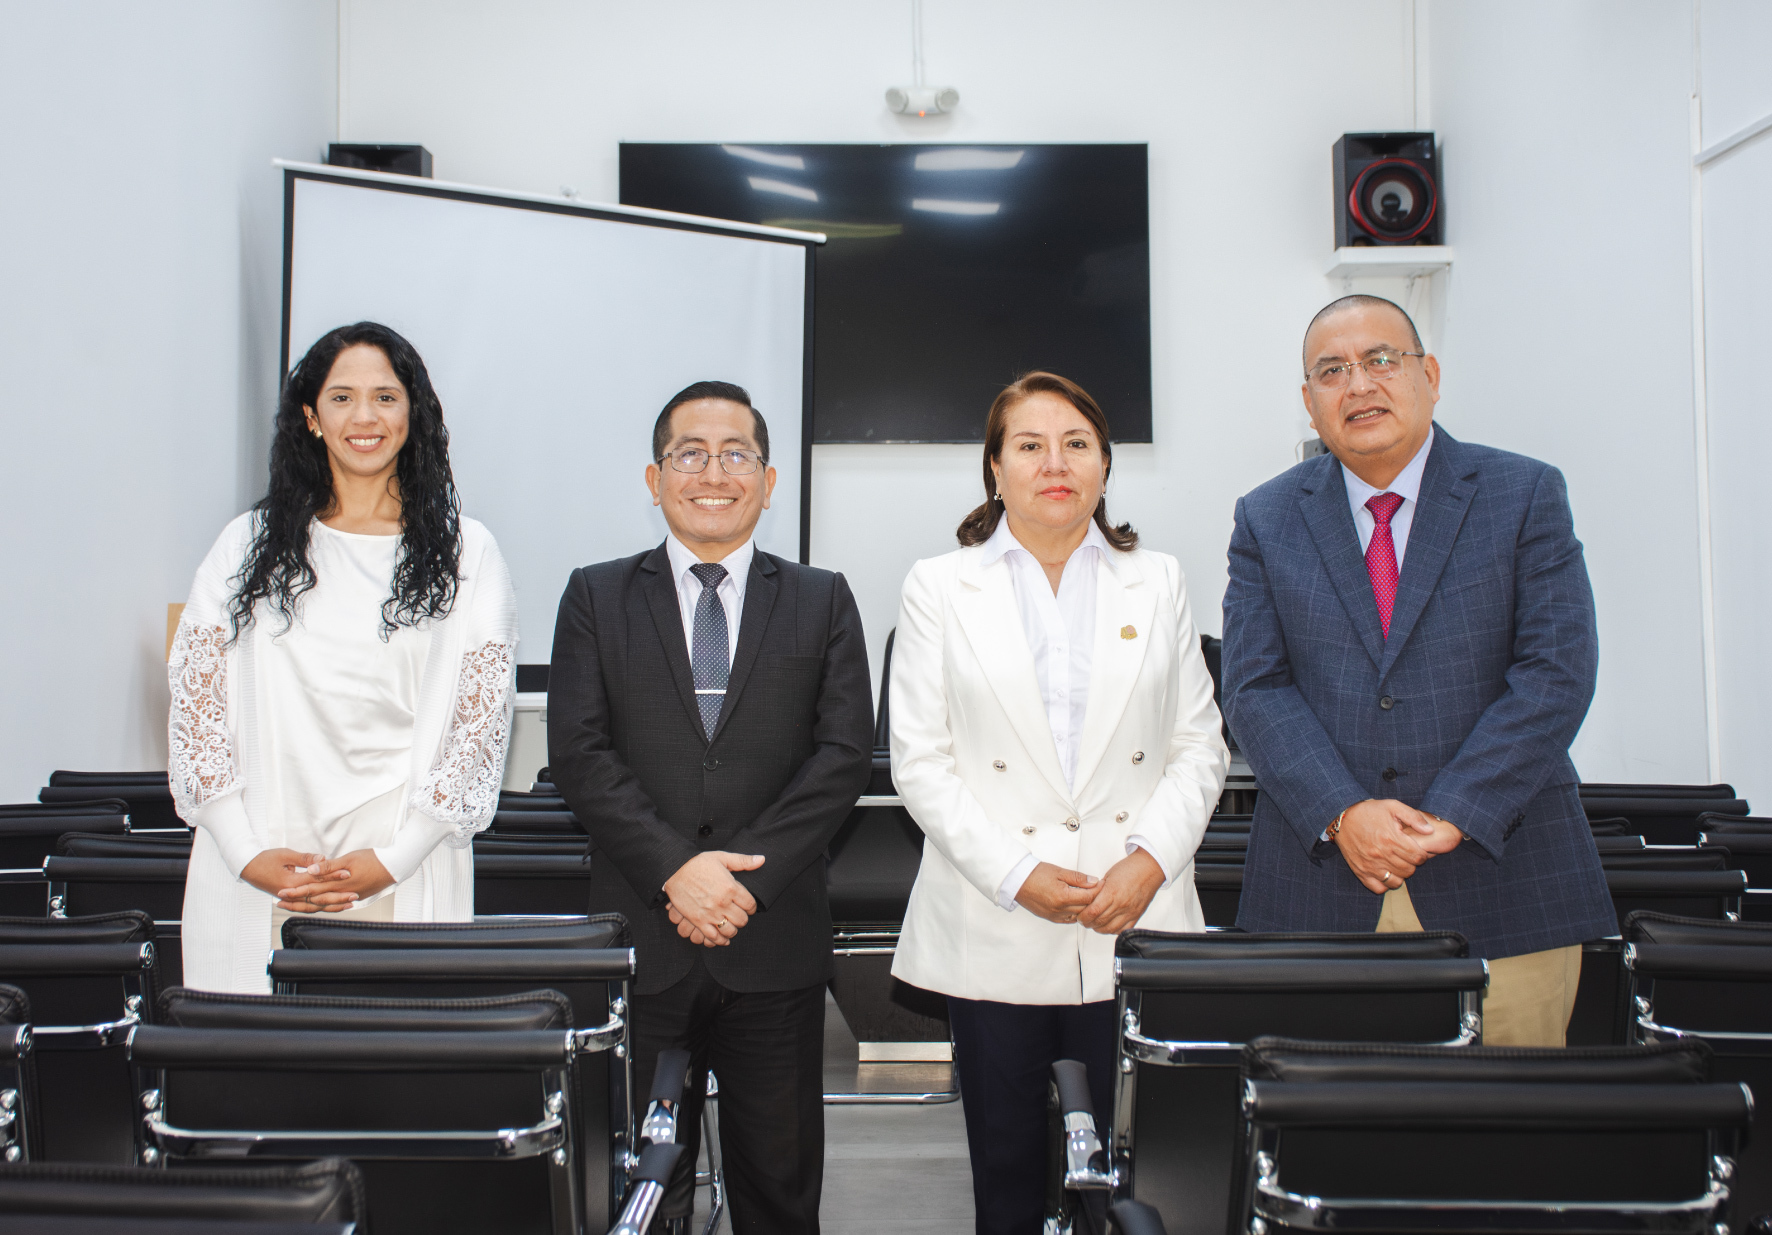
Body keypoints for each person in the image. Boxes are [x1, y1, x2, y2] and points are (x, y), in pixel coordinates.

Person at [1223, 294, 1616, 1046]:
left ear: (1429, 375)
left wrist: (1456, 809)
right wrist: (1345, 812)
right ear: (1310, 404)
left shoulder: (1524, 493)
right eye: (1332, 371)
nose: (1359, 385)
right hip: (1322, 887)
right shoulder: (1266, 517)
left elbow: (1556, 670)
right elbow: (1253, 686)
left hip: (1505, 877)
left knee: (1512, 1142)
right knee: (1332, 1140)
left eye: (1381, 360)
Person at [889, 372, 1228, 1235]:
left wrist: (1148, 859)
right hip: (997, 915)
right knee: (1006, 1175)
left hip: (1134, 909)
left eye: (1077, 443)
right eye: (1030, 445)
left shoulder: (1157, 580)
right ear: (994, 470)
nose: (1056, 462)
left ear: (1106, 467)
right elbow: (920, 762)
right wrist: (1019, 872)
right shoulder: (938, 585)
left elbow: (1199, 744)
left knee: (1134, 1174)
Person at [547, 381, 872, 1235]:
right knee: (642, 1190)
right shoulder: (594, 595)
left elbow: (841, 759)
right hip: (642, 940)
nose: (713, 471)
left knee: (779, 1189)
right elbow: (579, 755)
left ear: (768, 482)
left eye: (737, 453)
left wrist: (740, 884)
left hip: (774, 944)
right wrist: (676, 873)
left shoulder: (823, 597)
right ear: (654, 479)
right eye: (690, 453)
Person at [167, 321, 518, 994]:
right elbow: (197, 710)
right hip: (258, 873)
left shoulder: (469, 556)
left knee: (393, 1085)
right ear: (310, 417)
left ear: (414, 415)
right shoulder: (245, 546)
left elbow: (474, 734)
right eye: (342, 397)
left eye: (386, 397)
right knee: (255, 1085)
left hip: (401, 875)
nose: (365, 416)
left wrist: (392, 858)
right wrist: (247, 855)